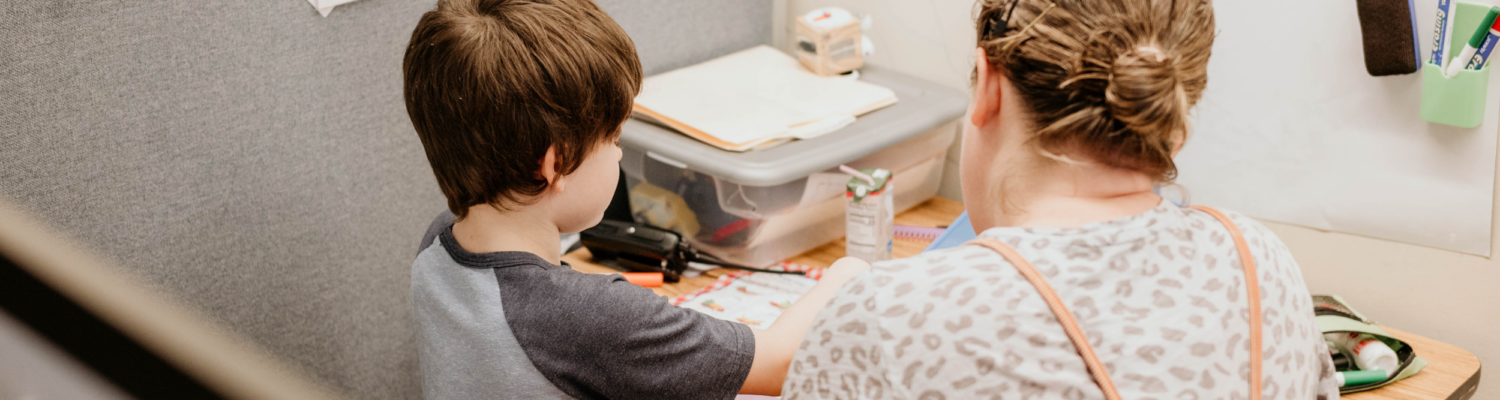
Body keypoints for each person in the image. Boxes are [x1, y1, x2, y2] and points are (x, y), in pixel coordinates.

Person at [782, 0, 1340, 399]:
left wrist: (849, 316)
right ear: (1174, 123)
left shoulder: (891, 318)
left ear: (988, 85)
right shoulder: (1261, 262)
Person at [401, 1, 869, 399]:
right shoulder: (583, 316)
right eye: (614, 138)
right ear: (557, 163)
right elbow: (783, 360)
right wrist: (847, 276)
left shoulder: (438, 246)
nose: (621, 153)